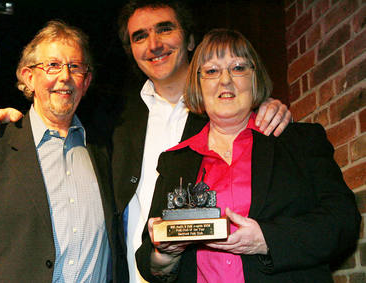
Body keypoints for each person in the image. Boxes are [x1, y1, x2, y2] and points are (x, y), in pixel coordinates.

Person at [0, 1, 292, 282]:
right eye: (140, 36)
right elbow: (58, 119)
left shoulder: (223, 113)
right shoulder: (112, 119)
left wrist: (265, 105)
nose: (153, 44)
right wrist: (17, 122)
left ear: (190, 39)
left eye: (165, 30)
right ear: (132, 50)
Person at [135, 28, 360, 283]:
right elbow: (148, 261)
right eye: (211, 71)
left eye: (238, 67)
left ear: (255, 78)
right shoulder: (175, 160)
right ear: (198, 84)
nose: (226, 80)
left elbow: (343, 222)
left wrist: (266, 239)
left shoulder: (299, 142)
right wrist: (165, 254)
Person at [0, 20, 127, 282]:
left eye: (74, 67)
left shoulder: (104, 150)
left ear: (86, 82)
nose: (64, 76)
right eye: (52, 65)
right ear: (28, 77)